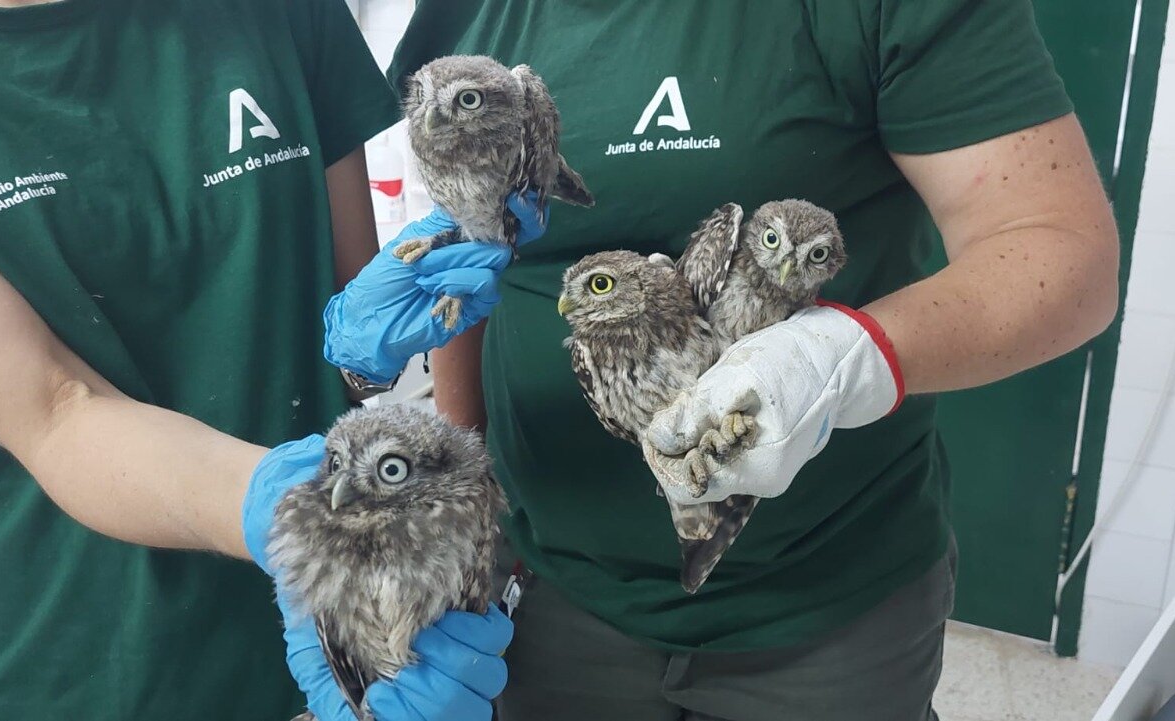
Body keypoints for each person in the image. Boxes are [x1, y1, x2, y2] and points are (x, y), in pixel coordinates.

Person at [333, 0, 1120, 718]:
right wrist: (468, 490)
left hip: (824, 610)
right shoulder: (463, 22)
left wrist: (844, 356)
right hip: (551, 594)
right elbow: (483, 255)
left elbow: (1063, 253)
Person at [0, 1, 519, 720]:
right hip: (71, 670)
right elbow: (55, 410)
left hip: (343, 645)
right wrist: (299, 513)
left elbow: (333, 345)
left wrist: (370, 337)